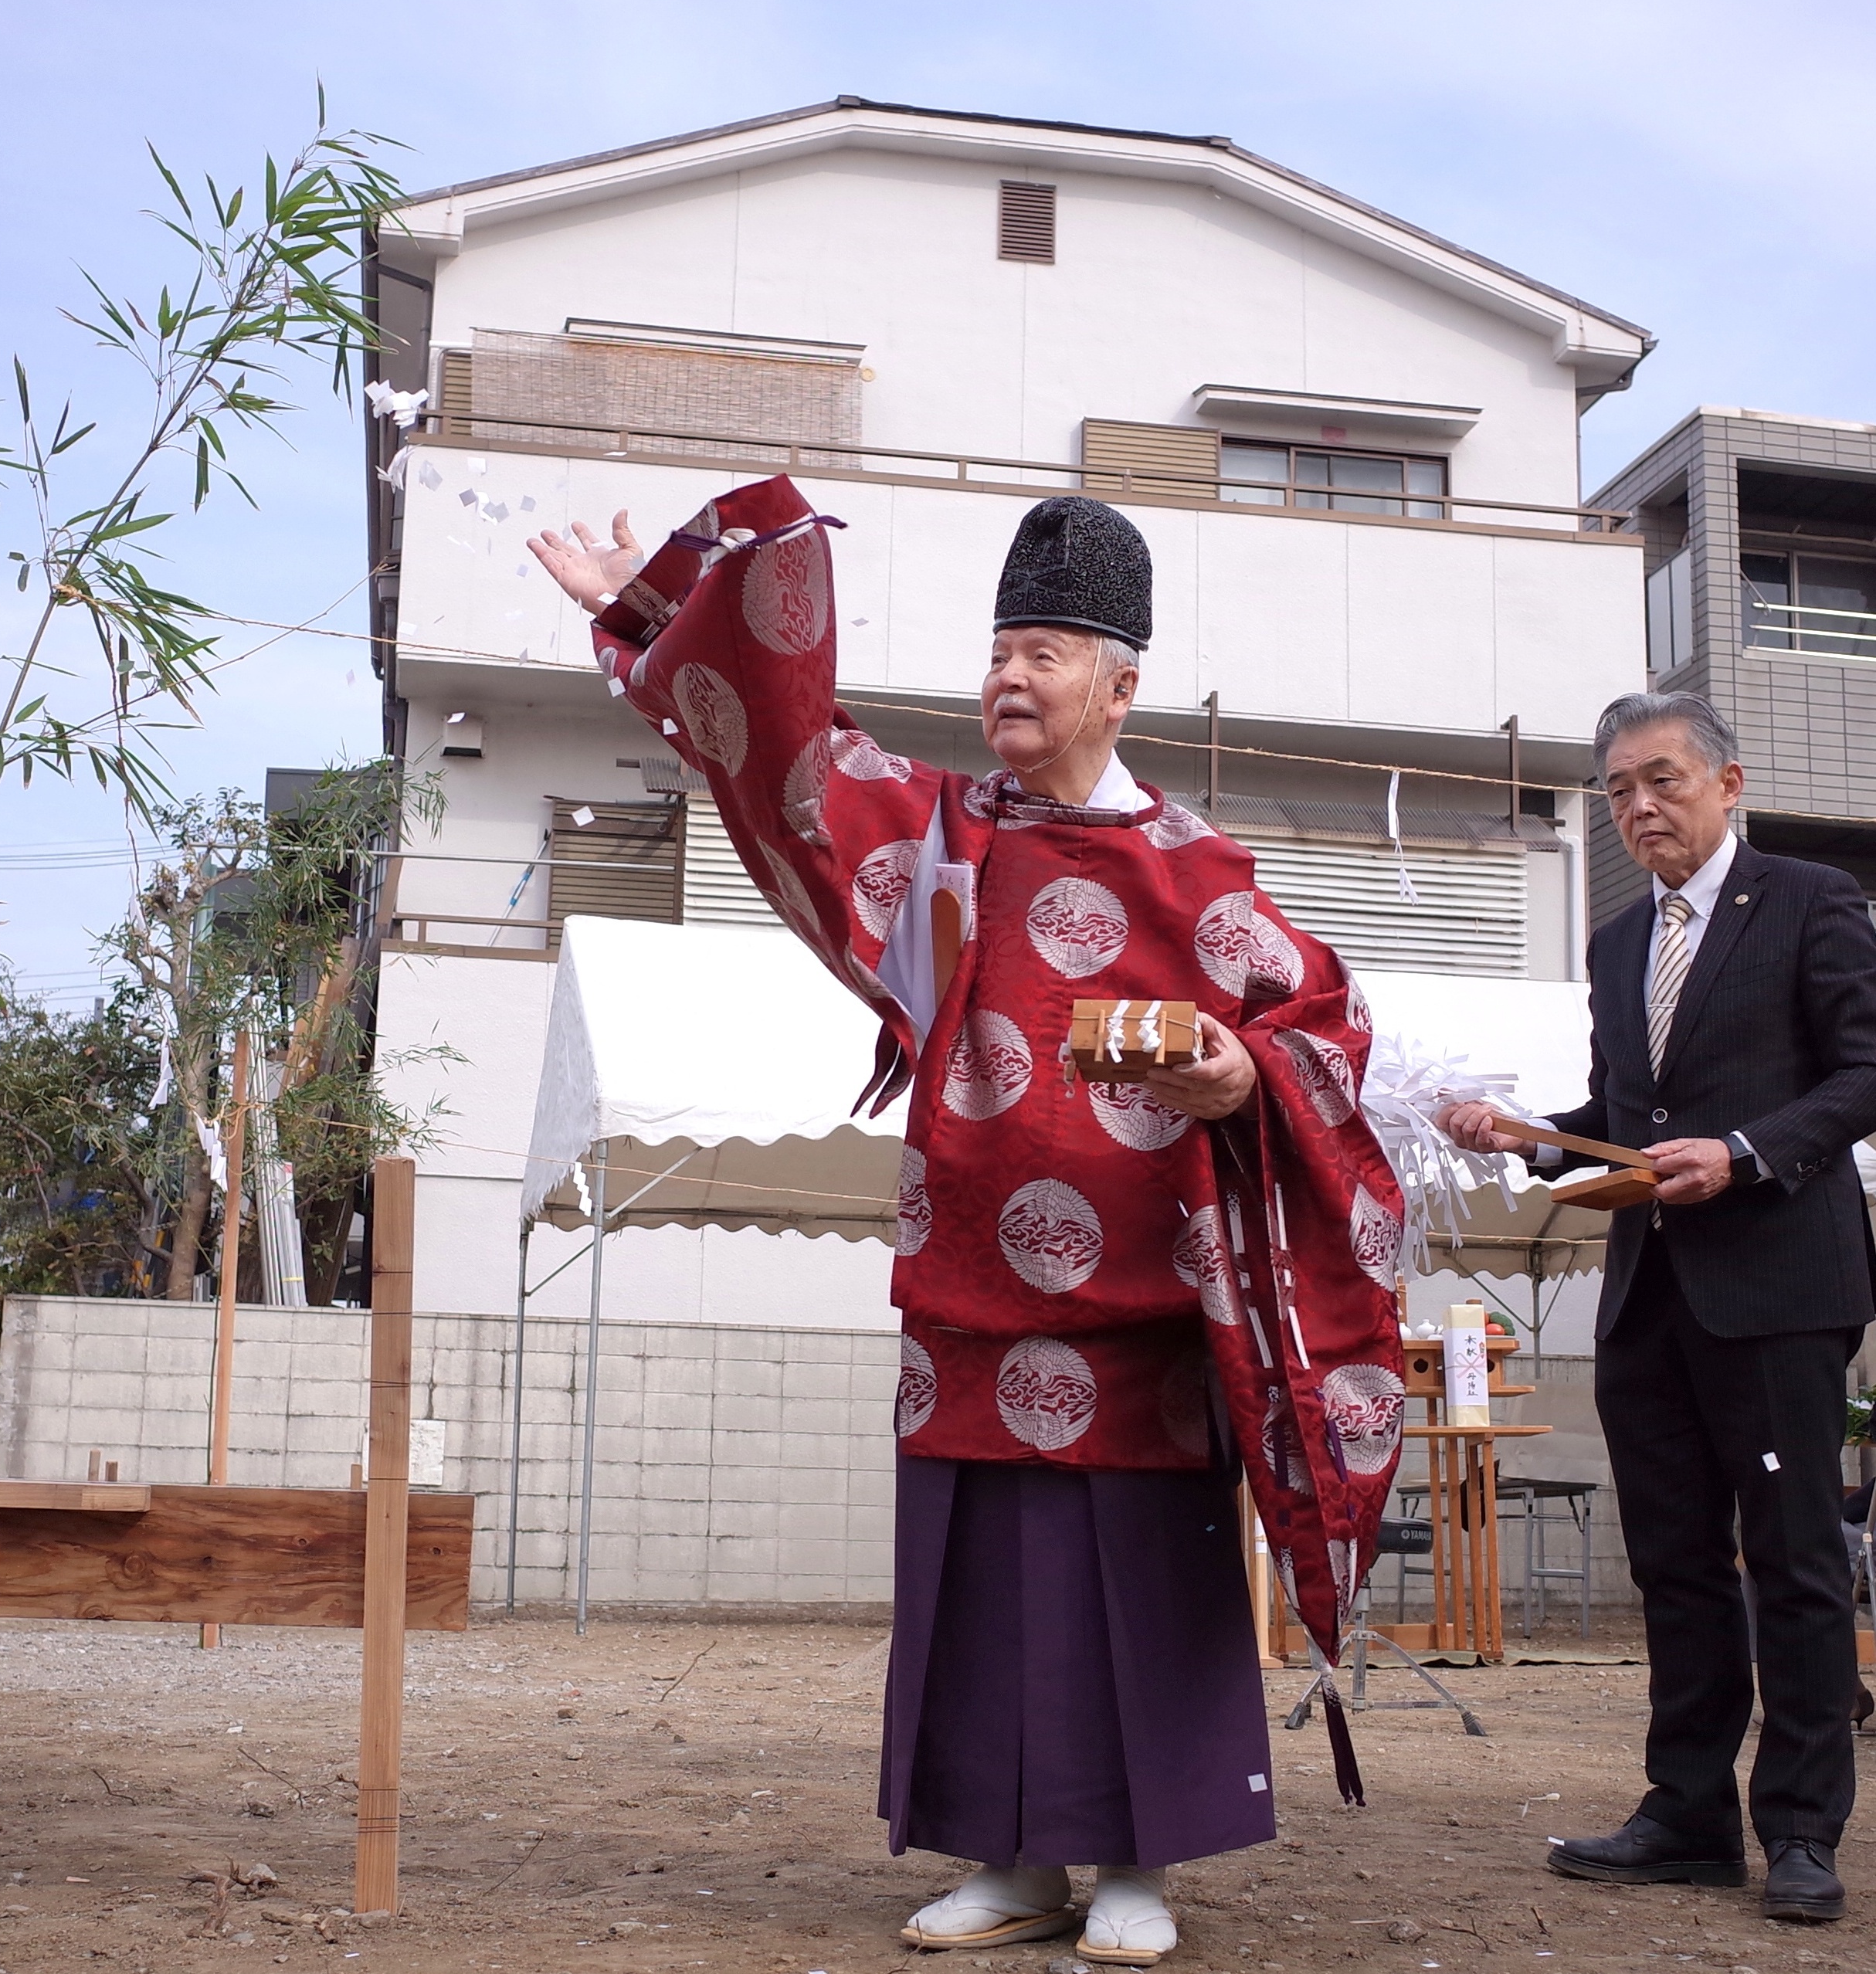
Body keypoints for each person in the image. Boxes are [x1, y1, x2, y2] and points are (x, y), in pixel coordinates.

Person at [531, 481, 1408, 1966]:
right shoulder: (940, 847)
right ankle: (1007, 1860)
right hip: (964, 1290)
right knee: (984, 1588)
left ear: (1120, 687)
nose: (1009, 674)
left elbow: (1325, 1026)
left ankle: (1138, 1863)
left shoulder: (1201, 875)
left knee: (1136, 1584)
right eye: (1000, 647)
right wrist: (647, 608)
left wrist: (1236, 1069)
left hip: (1137, 1315)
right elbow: (791, 761)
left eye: (1047, 650)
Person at [1439, 691, 1876, 1925]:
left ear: (1728, 785)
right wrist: (1525, 1139)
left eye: (1662, 780)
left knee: (1791, 1562)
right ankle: (1686, 1813)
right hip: (1649, 1291)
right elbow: (1619, 1112)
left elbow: (1865, 1071)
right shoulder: (1621, 945)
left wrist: (1742, 1151)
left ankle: (1798, 1829)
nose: (1638, 808)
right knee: (1675, 1563)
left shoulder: (1811, 900)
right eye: (1619, 790)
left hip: (1781, 1285)